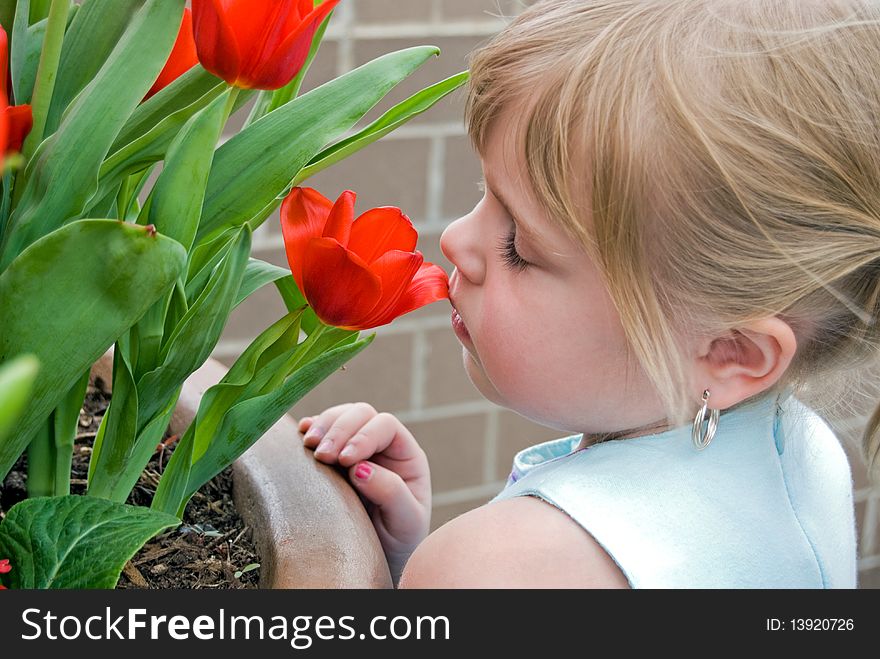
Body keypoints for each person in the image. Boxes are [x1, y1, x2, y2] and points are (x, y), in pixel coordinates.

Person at [297, 0, 878, 588]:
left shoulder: (502, 570)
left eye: (519, 244)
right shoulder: (808, 459)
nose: (454, 240)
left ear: (731, 352)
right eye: (485, 191)